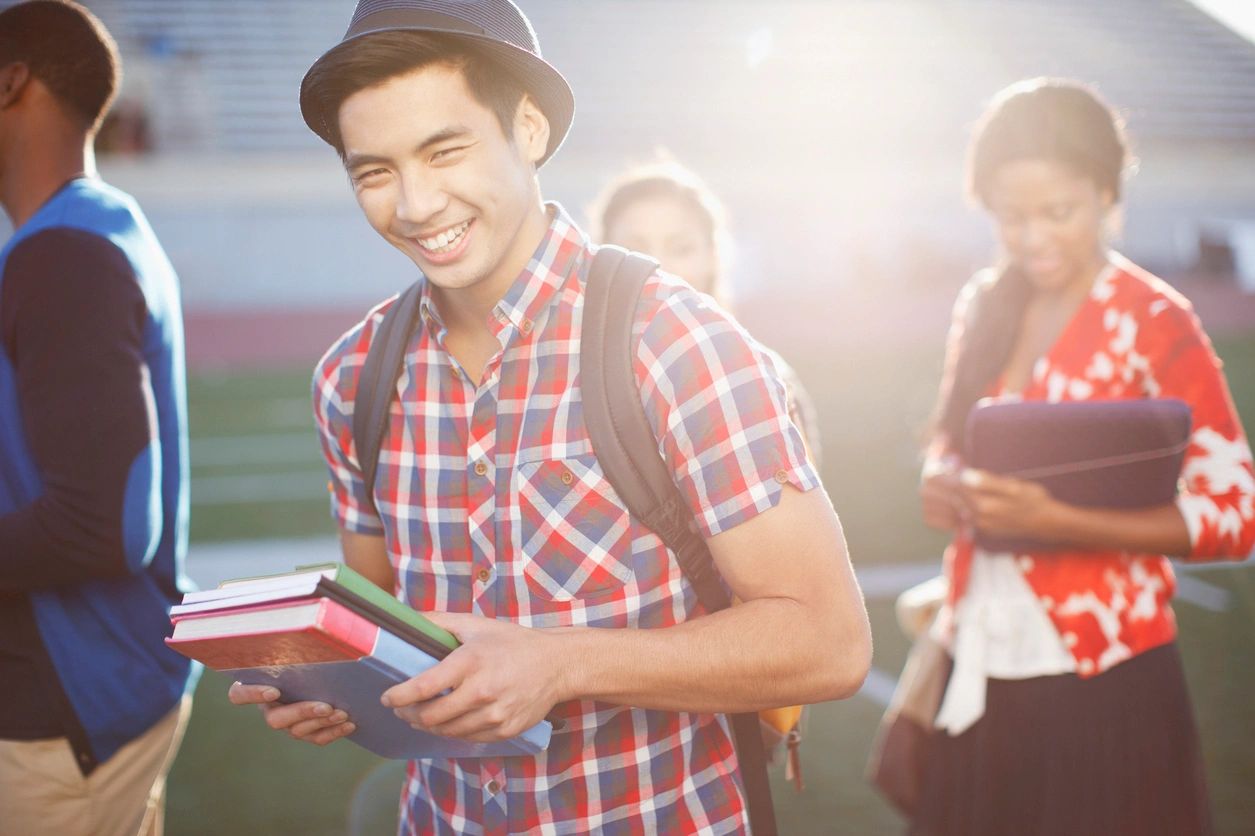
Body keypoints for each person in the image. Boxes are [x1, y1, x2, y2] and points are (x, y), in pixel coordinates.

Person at [227, 1, 872, 833]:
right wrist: (326, 680)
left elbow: (827, 641)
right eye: (374, 172)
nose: (416, 204)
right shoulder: (351, 378)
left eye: (444, 150)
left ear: (527, 128)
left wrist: (560, 663)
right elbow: (381, 618)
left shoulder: (674, 341)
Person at [913, 77, 1255, 836]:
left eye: (1056, 212)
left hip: (1104, 674)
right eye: (1009, 217)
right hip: (980, 651)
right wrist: (938, 482)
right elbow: (948, 435)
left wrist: (1057, 518)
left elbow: (1235, 513)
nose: (1032, 237)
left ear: (1106, 194)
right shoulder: (983, 303)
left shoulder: (1154, 318)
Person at [0, 2, 195, 835]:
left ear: (12, 81)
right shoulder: (92, 227)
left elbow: (105, 528)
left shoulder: (63, 253)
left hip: (66, 705)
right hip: (108, 680)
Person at [592, 158, 823, 467]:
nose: (657, 267)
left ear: (713, 257)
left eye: (682, 248)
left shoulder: (765, 377)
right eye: (636, 250)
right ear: (601, 256)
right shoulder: (571, 377)